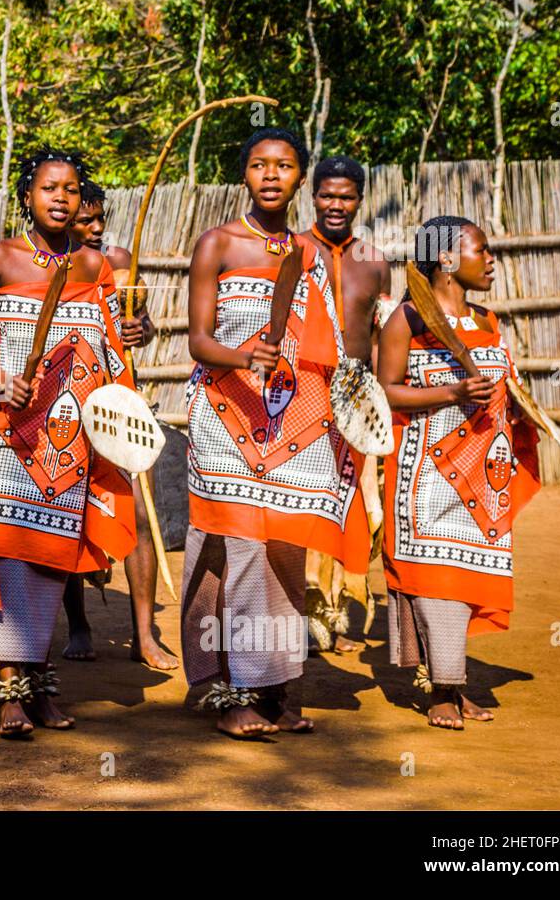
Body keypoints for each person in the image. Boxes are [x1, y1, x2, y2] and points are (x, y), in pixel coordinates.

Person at [181, 128, 368, 739]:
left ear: (300, 181)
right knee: (240, 549)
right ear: (244, 176)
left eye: (284, 166)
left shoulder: (310, 255)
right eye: (258, 164)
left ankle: (278, 686)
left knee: (285, 548)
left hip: (291, 423)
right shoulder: (219, 244)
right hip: (224, 416)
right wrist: (243, 357)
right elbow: (199, 341)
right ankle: (232, 688)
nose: (270, 175)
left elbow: (326, 343)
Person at [0, 150, 137, 738]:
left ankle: (37, 679)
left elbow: (114, 340)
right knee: (7, 551)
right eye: (47, 188)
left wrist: (139, 332)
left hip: (68, 438)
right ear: (25, 196)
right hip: (5, 433)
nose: (59, 198)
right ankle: (9, 687)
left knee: (49, 560)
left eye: (69, 189)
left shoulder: (93, 266)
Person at [377, 215, 539, 730]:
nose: (490, 260)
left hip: (480, 475)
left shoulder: (489, 321)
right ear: (447, 259)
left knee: (465, 575)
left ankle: (452, 680)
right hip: (424, 473)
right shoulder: (408, 319)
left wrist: (516, 411)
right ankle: (442, 689)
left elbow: (500, 387)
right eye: (481, 250)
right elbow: (385, 390)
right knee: (434, 576)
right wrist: (450, 392)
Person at [60, 179, 177, 670]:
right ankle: (79, 624)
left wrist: (139, 327)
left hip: (119, 401)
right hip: (64, 403)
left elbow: (141, 322)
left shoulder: (118, 260)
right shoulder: (47, 266)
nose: (95, 227)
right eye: (84, 220)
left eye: (99, 217)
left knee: (139, 516)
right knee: (64, 510)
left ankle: (143, 633)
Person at [297, 156, 391, 653]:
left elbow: (379, 336)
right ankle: (304, 608)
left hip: (357, 396)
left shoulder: (374, 261)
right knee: (306, 499)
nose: (336, 205)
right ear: (313, 197)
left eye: (346, 196)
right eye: (328, 195)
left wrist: (381, 397)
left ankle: (336, 604)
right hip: (303, 392)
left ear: (359, 199)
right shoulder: (293, 252)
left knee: (351, 500)